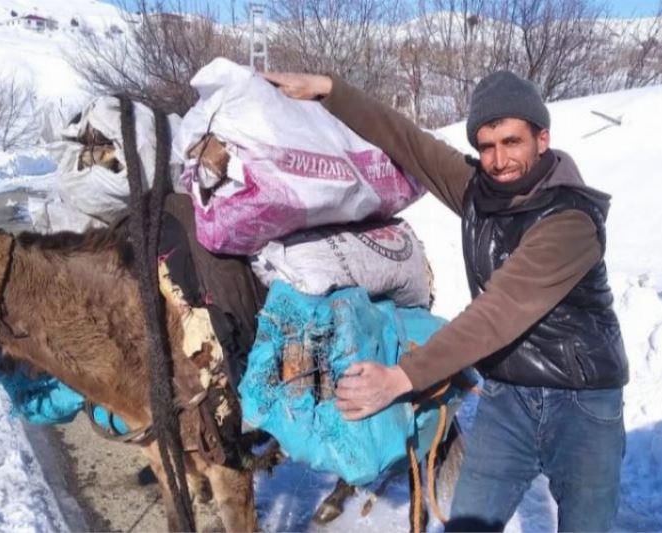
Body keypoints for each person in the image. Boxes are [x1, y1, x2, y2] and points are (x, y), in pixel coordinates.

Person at [263, 70, 628, 532]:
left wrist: (403, 377)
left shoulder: (571, 220)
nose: (499, 160)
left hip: (581, 403)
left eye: (512, 142)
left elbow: (497, 313)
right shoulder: (481, 191)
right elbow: (411, 144)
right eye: (487, 146)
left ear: (542, 138)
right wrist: (333, 92)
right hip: (507, 397)